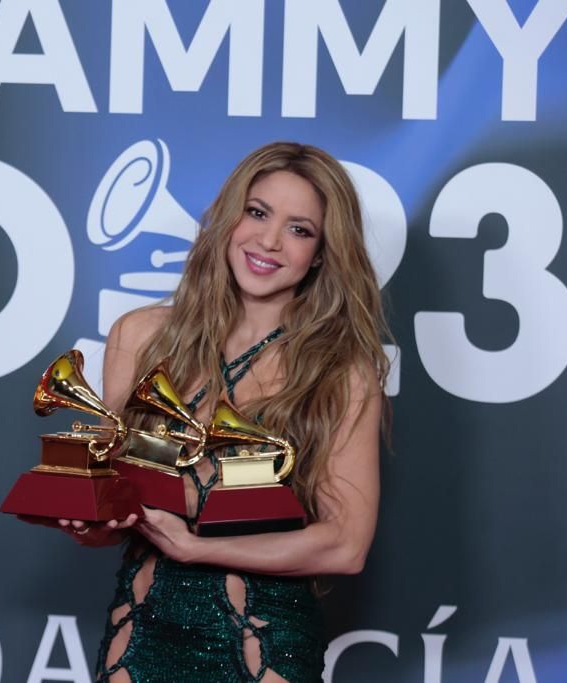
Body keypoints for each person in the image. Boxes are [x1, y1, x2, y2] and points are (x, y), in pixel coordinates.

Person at [60, 142, 390, 682]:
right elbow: (112, 504)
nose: (269, 240)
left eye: (299, 229)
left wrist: (196, 549)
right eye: (257, 212)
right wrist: (89, 518)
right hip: (139, 630)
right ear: (229, 217)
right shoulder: (140, 336)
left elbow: (346, 545)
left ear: (323, 253)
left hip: (264, 638)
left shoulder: (343, 373)